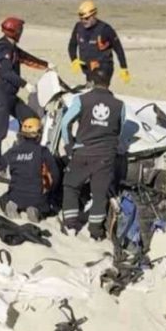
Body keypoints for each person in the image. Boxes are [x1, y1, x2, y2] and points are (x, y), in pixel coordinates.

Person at [60, 62, 126, 239]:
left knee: (71, 187)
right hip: (105, 156)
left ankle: (70, 225)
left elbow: (65, 123)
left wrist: (69, 145)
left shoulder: (81, 100)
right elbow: (119, 131)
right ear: (110, 81)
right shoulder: (120, 105)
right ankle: (95, 232)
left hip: (82, 152)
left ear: (91, 80)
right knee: (99, 194)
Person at [0, 17, 38, 175]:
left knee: (30, 117)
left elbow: (27, 58)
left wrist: (46, 65)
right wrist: (25, 84)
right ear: (16, 32)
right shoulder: (3, 48)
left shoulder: (12, 47)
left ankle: (22, 148)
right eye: (21, 30)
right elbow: (6, 72)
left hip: (9, 95)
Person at [0, 117, 61, 222]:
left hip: (16, 194)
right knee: (47, 205)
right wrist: (51, 189)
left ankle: (12, 205)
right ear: (38, 134)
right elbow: (55, 175)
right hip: (37, 197)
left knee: (3, 198)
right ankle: (35, 210)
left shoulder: (14, 151)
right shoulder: (42, 151)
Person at [68, 0, 130, 85]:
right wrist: (74, 59)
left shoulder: (105, 29)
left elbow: (118, 48)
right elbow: (72, 45)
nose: (83, 21)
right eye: (81, 18)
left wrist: (124, 68)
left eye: (86, 18)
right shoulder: (78, 27)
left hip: (103, 69)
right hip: (88, 68)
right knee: (90, 90)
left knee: (98, 92)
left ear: (94, 15)